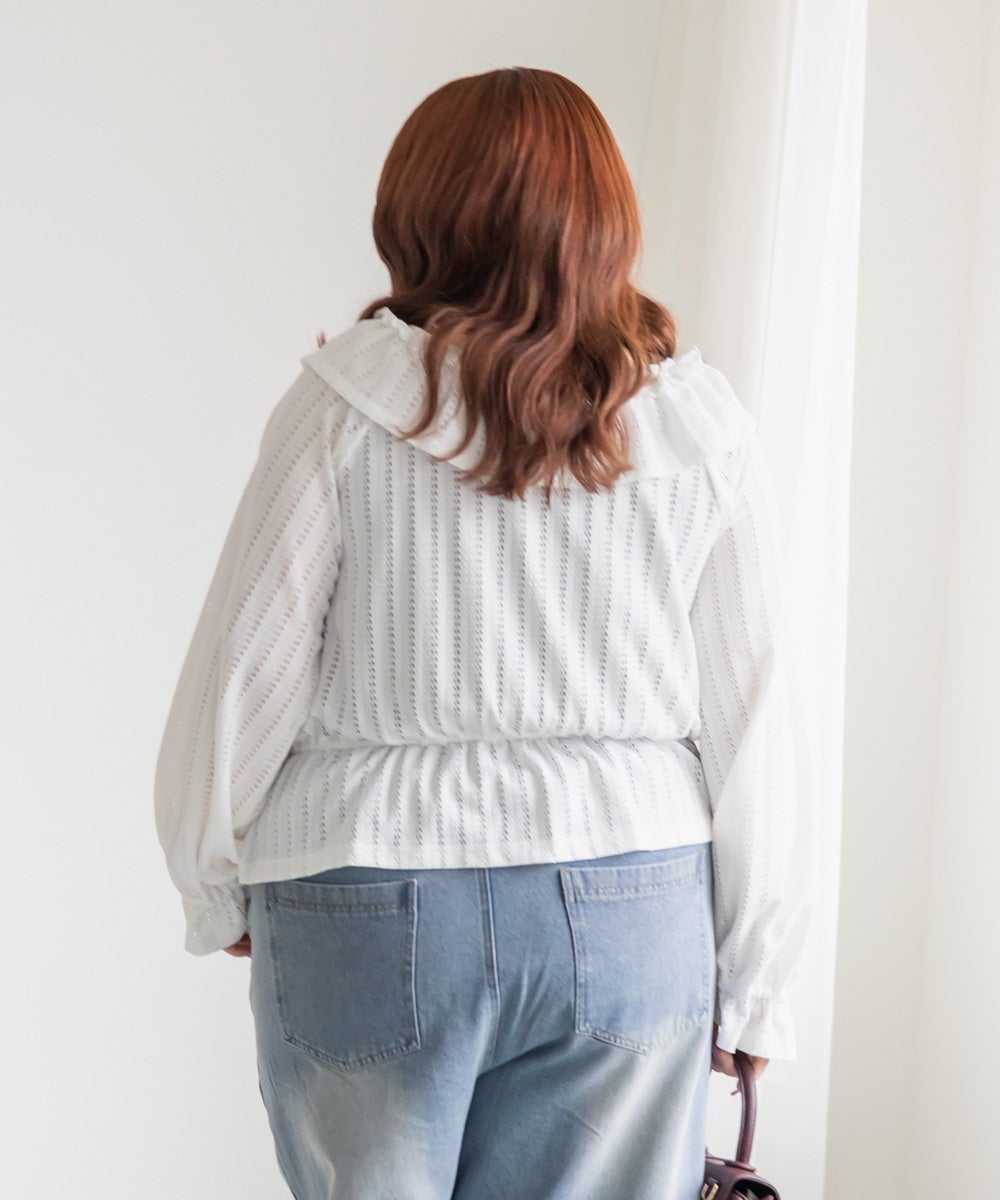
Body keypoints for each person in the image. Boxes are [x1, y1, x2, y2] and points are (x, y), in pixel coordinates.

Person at [154, 65, 815, 1200]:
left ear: (415, 212)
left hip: (365, 891)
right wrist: (758, 982)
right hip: (629, 904)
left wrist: (212, 879)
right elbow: (753, 720)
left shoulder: (344, 404)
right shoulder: (699, 429)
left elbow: (241, 675)